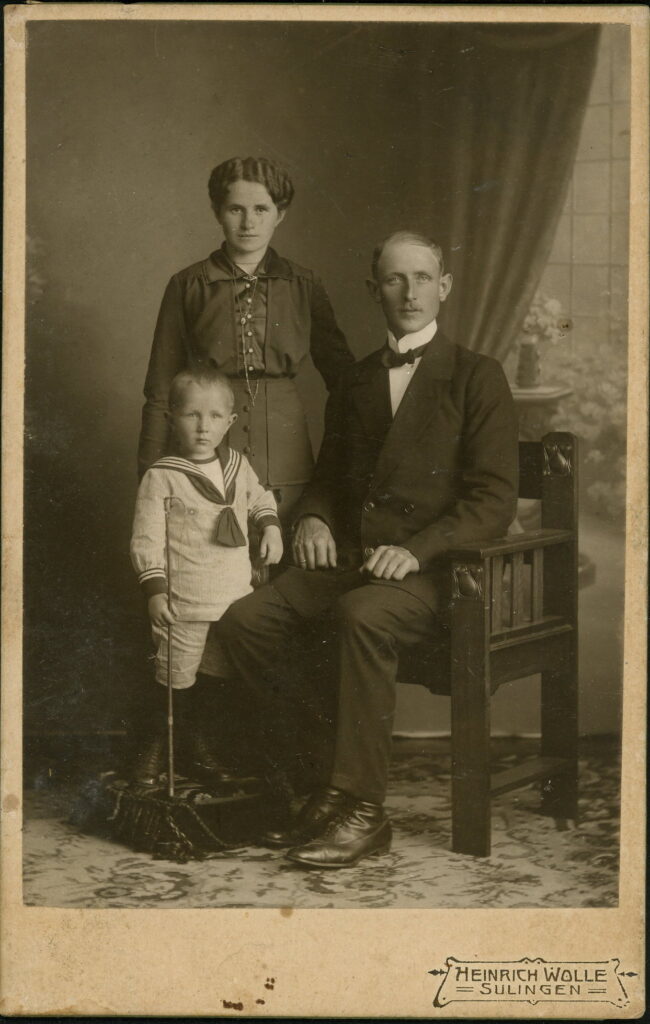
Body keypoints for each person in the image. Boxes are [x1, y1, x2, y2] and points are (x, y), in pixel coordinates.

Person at [220, 230, 519, 868]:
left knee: (362, 616)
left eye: (421, 278)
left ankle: (362, 808)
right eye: (393, 279)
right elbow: (329, 479)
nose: (408, 292)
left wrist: (417, 551)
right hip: (355, 563)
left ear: (444, 287)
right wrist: (316, 521)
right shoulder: (356, 381)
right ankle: (314, 786)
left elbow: (492, 501)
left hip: (440, 575)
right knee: (248, 621)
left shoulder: (477, 376)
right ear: (373, 290)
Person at [137, 155, 354, 525]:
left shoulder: (304, 285)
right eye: (235, 209)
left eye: (261, 209)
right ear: (217, 212)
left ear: (280, 214)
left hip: (288, 457)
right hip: (205, 453)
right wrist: (150, 478)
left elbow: (347, 383)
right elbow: (160, 392)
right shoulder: (187, 286)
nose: (249, 222)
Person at [129, 367, 283, 790]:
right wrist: (155, 591)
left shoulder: (237, 465)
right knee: (174, 682)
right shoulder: (163, 476)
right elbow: (147, 538)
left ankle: (200, 750)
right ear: (172, 418)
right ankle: (155, 751)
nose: (203, 426)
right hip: (186, 604)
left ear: (230, 422)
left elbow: (260, 499)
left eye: (215, 416)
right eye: (192, 415)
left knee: (215, 682)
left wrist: (270, 527)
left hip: (234, 603)